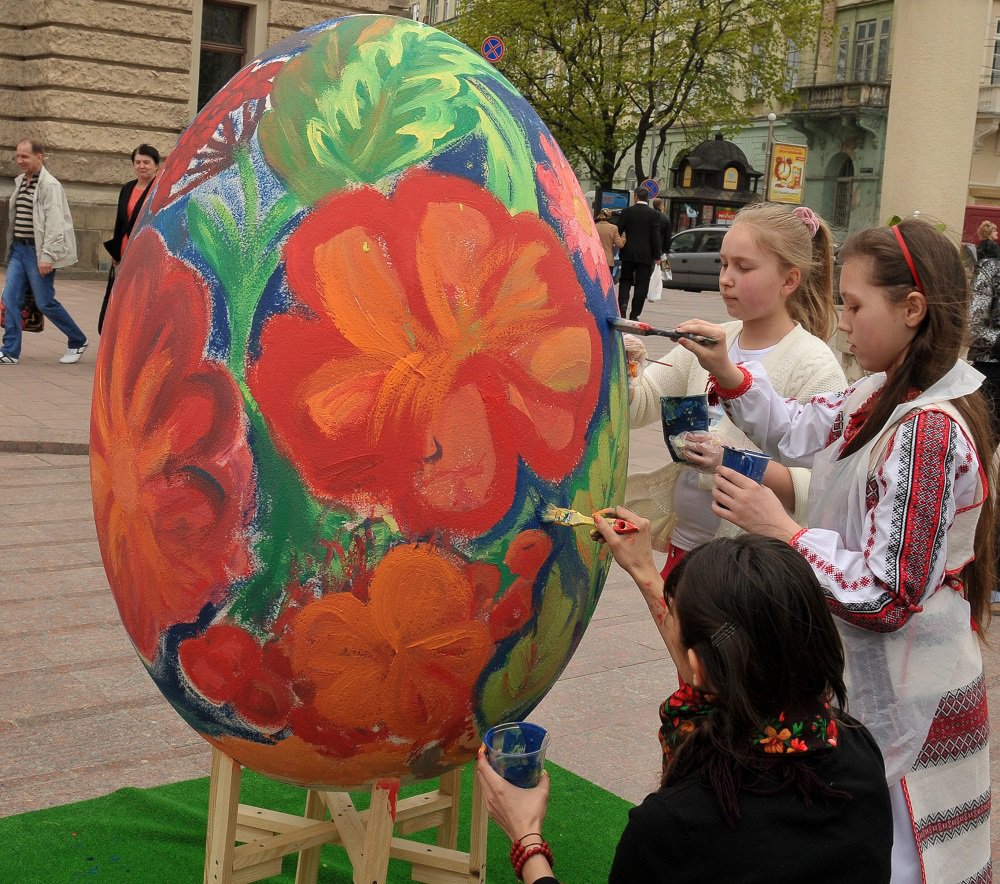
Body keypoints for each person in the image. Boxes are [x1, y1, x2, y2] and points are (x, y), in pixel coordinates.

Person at [676, 217, 996, 883]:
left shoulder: (929, 429)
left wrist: (785, 532)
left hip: (912, 691)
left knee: (904, 860)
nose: (842, 323)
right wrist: (729, 372)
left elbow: (888, 594)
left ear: (911, 310)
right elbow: (799, 427)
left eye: (854, 306)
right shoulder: (885, 391)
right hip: (882, 682)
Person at [476, 527, 893, 883]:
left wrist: (527, 839)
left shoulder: (677, 826)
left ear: (698, 666)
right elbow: (724, 662)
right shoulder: (857, 751)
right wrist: (643, 568)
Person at [626, 203, 845, 580]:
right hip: (685, 544)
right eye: (725, 264)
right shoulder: (716, 337)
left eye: (743, 268)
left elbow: (821, 487)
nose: (726, 278)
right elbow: (641, 405)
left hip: (748, 565)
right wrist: (627, 368)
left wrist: (731, 460)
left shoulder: (815, 364)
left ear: (789, 281)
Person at [1, 139, 87, 365]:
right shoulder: (21, 181)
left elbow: (55, 223)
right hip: (19, 249)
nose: (20, 161)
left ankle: (77, 340)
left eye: (25, 157)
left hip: (38, 252)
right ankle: (10, 351)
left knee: (44, 302)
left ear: (39, 156)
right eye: (18, 156)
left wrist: (47, 255)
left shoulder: (50, 186)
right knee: (10, 298)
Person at [99, 144, 160, 334]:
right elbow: (120, 220)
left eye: (146, 163)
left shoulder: (159, 189)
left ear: (156, 165)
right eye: (138, 162)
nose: (142, 166)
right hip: (125, 252)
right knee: (121, 297)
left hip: (146, 253)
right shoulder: (127, 188)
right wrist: (116, 251)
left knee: (141, 299)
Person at [614, 187, 662, 320]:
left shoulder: (627, 212)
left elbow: (618, 229)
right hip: (646, 255)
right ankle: (634, 314)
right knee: (642, 284)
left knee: (625, 281)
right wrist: (657, 256)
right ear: (647, 198)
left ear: (635, 197)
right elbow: (655, 237)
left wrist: (622, 242)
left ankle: (623, 305)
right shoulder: (654, 215)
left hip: (628, 253)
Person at [594, 208, 623, 282]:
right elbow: (620, 244)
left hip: (595, 260)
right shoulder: (613, 228)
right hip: (608, 260)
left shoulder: (593, 227)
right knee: (606, 283)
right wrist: (623, 236)